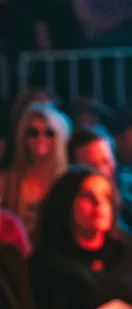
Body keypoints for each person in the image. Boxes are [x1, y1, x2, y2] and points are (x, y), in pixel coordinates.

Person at [32, 167, 132, 309]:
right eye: (88, 196)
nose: (99, 204)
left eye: (106, 197)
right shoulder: (49, 262)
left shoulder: (127, 250)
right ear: (67, 203)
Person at [0, 102, 72, 240]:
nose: (41, 138)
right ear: (23, 138)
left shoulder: (69, 183)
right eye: (33, 132)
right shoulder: (5, 182)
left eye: (49, 133)